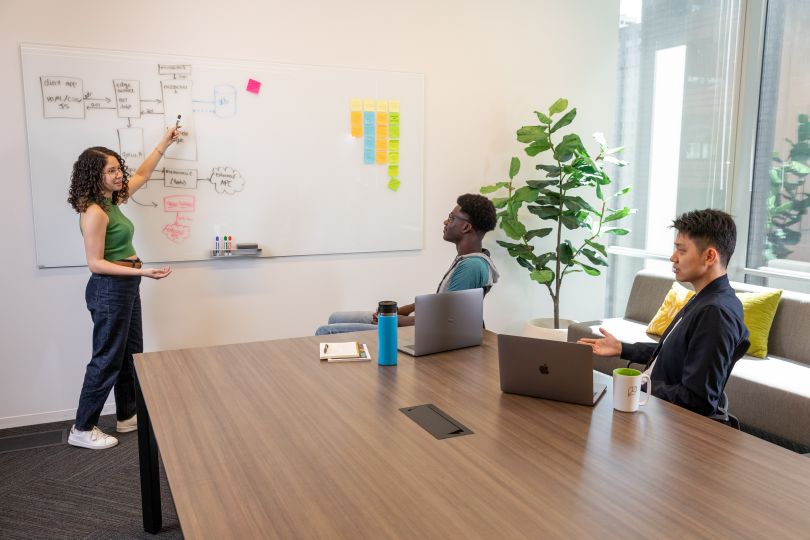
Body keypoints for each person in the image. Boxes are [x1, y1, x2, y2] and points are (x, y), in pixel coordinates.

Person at [66, 127, 179, 449]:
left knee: (132, 355)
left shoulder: (111, 201)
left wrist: (165, 143)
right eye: (111, 170)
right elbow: (95, 263)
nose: (119, 175)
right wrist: (143, 272)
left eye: (119, 168)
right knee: (106, 358)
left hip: (126, 286)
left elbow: (142, 173)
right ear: (95, 175)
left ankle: (128, 416)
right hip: (109, 288)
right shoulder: (94, 212)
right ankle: (82, 427)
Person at [578, 209, 749, 416]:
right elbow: (676, 351)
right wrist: (623, 348)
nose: (673, 257)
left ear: (710, 256)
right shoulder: (704, 299)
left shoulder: (715, 312)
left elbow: (698, 400)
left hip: (668, 422)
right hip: (654, 409)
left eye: (682, 251)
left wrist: (637, 386)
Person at [315, 193, 499, 335]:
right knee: (335, 317)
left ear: (466, 227)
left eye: (451, 218)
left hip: (428, 334)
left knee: (325, 331)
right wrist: (399, 311)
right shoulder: (468, 259)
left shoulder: (471, 267)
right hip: (426, 324)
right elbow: (440, 304)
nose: (445, 221)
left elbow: (445, 322)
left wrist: (392, 320)